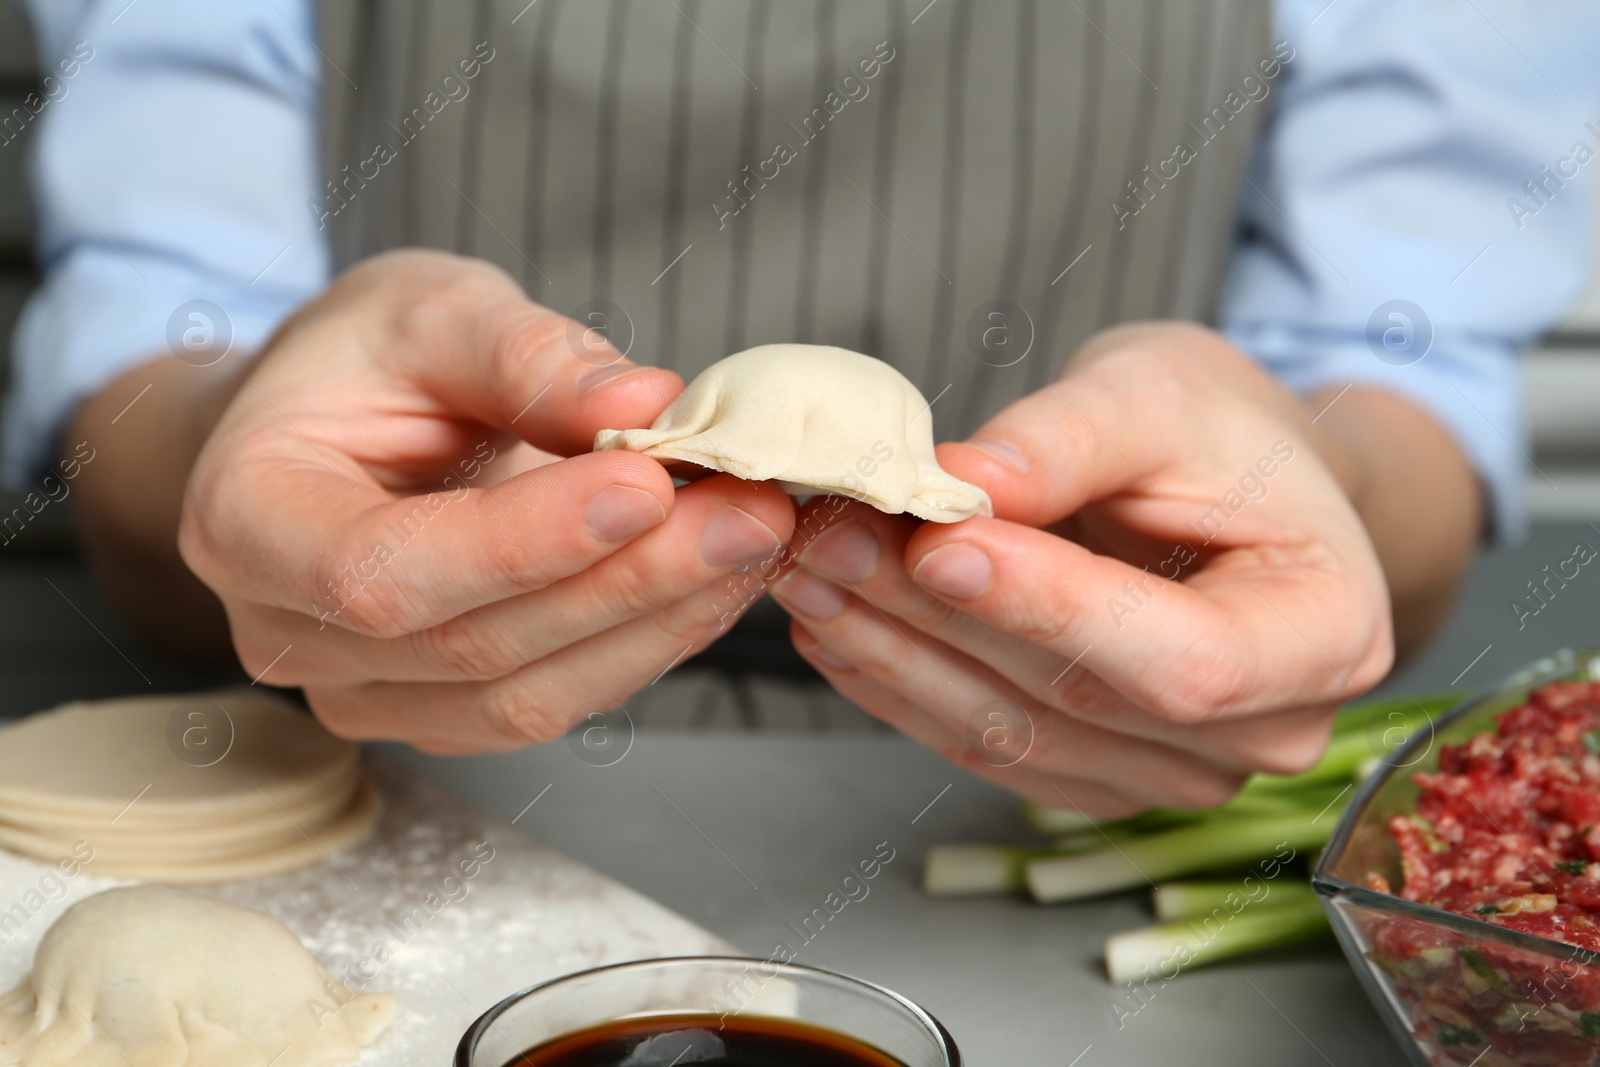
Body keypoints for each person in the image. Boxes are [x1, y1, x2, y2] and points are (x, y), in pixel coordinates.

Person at [7, 0, 1598, 816]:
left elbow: (1399, 387)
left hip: (1022, 835)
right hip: (383, 768)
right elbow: (150, 369)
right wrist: (242, 456)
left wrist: (1286, 476)